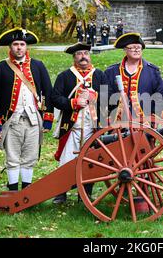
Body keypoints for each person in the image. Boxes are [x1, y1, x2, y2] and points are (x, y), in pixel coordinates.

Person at [0, 27, 54, 192]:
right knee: (13, 157)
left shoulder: (38, 66)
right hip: (11, 119)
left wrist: (47, 119)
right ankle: (13, 192)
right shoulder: (1, 68)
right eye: (15, 44)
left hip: (33, 119)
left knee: (29, 157)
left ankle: (26, 192)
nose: (19, 48)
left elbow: (48, 92)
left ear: (26, 47)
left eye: (22, 44)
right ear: (10, 47)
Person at [51, 42, 110, 204]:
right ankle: (60, 193)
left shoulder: (99, 75)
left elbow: (109, 98)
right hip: (71, 127)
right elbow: (55, 98)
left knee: (90, 161)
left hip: (93, 126)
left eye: (85, 53)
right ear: (74, 57)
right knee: (67, 159)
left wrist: (94, 97)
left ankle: (84, 194)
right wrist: (74, 102)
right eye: (79, 54)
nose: (83, 57)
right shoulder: (65, 76)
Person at [105, 33, 163, 122]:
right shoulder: (111, 72)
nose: (136, 50)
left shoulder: (153, 71)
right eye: (133, 47)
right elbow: (106, 97)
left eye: (139, 47)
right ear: (125, 49)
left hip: (145, 124)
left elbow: (161, 96)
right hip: (118, 124)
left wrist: (155, 118)